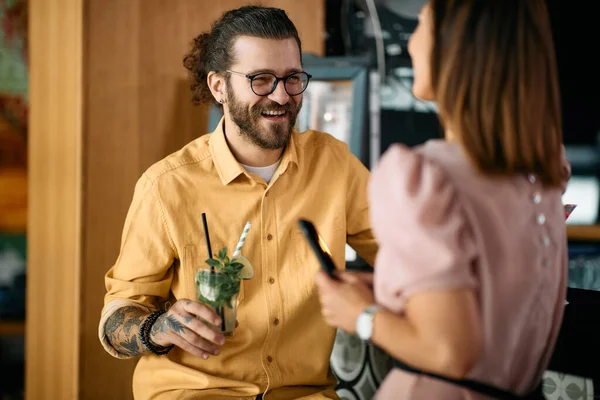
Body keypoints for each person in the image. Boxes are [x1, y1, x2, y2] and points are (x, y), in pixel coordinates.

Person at [98, 5, 378, 400]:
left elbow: (400, 256)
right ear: (218, 87)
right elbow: (117, 319)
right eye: (261, 80)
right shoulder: (167, 186)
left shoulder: (334, 165)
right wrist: (157, 327)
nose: (281, 95)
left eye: (293, 78)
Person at [315, 0, 570, 399]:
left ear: (456, 49)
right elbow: (487, 298)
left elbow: (450, 352)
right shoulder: (543, 174)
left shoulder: (424, 178)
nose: (411, 45)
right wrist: (386, 290)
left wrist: (360, 316)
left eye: (421, 27)